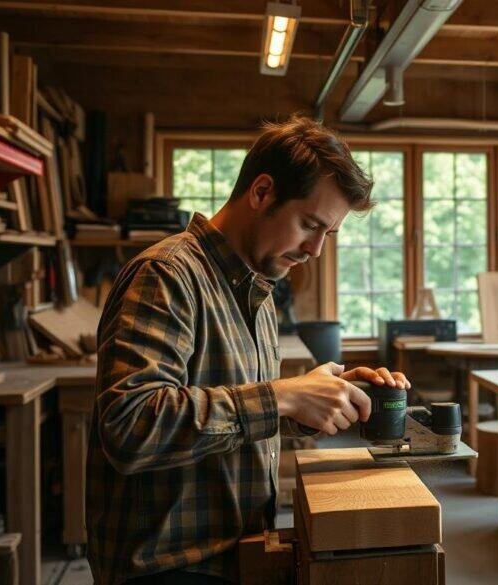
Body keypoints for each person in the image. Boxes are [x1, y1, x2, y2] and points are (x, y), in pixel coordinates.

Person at [87, 115, 410, 584]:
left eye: (329, 234)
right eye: (309, 224)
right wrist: (282, 396)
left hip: (235, 553)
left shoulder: (255, 288)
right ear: (261, 192)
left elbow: (232, 414)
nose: (316, 250)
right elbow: (130, 425)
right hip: (169, 568)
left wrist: (315, 401)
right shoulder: (167, 275)